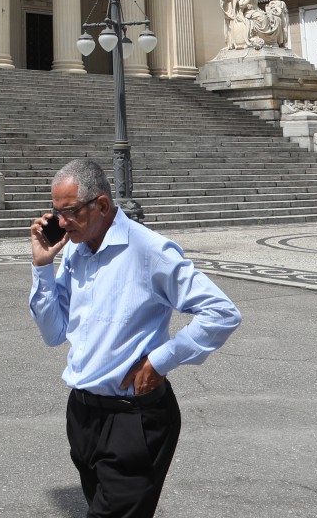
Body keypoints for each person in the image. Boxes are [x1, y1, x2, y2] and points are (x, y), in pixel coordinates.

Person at [29, 158, 241, 517]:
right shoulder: (74, 254)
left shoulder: (149, 250)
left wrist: (161, 360)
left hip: (135, 420)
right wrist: (41, 267)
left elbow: (221, 312)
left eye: (69, 212)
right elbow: (53, 334)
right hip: (82, 416)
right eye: (55, 212)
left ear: (101, 205)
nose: (61, 223)